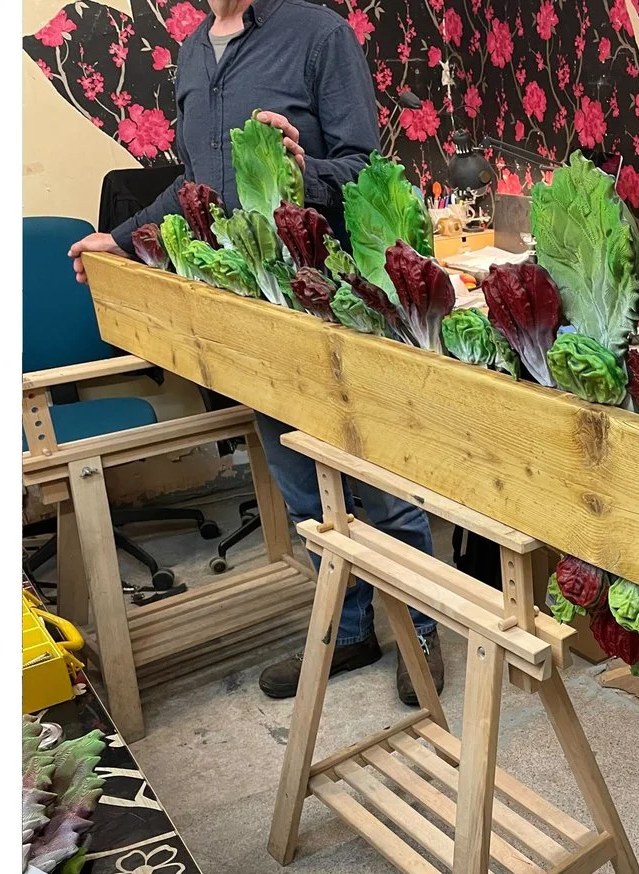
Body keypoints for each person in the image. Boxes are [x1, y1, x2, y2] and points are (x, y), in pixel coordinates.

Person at [66, 0, 446, 705]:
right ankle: (351, 627)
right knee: (301, 485)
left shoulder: (319, 33)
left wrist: (307, 167)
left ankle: (422, 629)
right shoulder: (190, 54)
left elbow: (364, 165)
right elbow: (196, 187)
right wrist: (120, 237)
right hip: (254, 307)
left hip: (330, 298)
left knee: (380, 480)